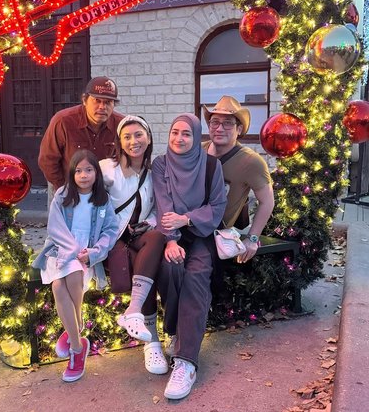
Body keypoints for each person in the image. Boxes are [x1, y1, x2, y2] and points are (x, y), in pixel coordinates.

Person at [152, 113, 227, 400]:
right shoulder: (160, 164)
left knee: (196, 275)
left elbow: (218, 205)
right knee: (171, 268)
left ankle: (186, 362)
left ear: (196, 138)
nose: (179, 138)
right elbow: (162, 204)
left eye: (186, 134)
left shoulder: (211, 165)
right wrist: (170, 240)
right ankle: (176, 335)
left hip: (201, 234)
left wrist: (187, 219)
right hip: (171, 233)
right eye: (174, 132)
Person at [32, 149, 118, 382]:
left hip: (85, 255)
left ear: (96, 174)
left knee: (68, 281)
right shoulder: (62, 195)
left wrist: (94, 252)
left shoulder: (102, 201)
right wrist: (71, 251)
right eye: (78, 171)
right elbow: (55, 228)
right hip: (60, 251)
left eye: (89, 170)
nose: (83, 175)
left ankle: (74, 339)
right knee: (58, 285)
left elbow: (111, 230)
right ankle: (78, 342)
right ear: (72, 173)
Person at [99, 115, 168, 375]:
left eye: (138, 135)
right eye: (126, 137)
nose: (133, 141)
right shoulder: (106, 169)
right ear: (119, 142)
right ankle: (152, 342)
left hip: (141, 234)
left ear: (148, 138)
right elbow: (86, 197)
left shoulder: (154, 173)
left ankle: (134, 311)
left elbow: (160, 208)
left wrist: (148, 223)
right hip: (113, 237)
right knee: (145, 264)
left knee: (157, 238)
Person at [202, 95, 274, 262]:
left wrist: (253, 239)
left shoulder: (251, 161)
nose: (219, 128)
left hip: (215, 236)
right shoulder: (197, 151)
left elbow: (267, 201)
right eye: (215, 122)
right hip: (188, 225)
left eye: (227, 123)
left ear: (239, 129)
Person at [38, 76, 125, 192]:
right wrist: (63, 189)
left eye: (108, 102)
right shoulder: (63, 121)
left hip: (102, 191)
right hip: (66, 186)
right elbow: (47, 160)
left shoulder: (121, 125)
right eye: (97, 100)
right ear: (85, 100)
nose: (102, 107)